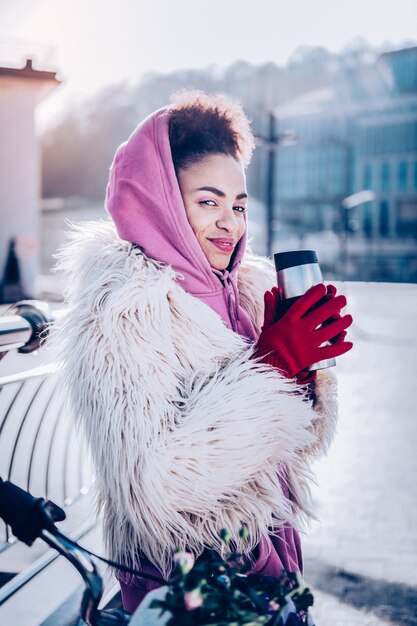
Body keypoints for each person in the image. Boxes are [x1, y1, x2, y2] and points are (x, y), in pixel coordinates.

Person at [54, 91, 353, 615]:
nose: (230, 223)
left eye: (238, 205)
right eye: (208, 201)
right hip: (188, 587)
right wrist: (272, 367)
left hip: (266, 563)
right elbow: (155, 485)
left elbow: (299, 447)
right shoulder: (124, 308)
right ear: (160, 201)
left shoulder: (244, 290)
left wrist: (309, 374)